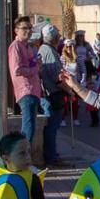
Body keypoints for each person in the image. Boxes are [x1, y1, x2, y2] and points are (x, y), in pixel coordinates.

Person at [37, 25, 67, 166]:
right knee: (51, 128)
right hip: (53, 94)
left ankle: (51, 154)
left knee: (50, 127)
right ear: (55, 38)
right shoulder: (49, 52)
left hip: (48, 93)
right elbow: (57, 77)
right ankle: (51, 157)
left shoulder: (44, 49)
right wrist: (69, 89)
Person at [8, 16, 41, 143]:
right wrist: (35, 69)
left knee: (31, 127)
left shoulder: (27, 47)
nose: (28, 31)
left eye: (30, 28)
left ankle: (25, 155)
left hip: (33, 90)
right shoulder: (15, 46)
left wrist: (37, 64)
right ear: (16, 30)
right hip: (25, 90)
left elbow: (31, 65)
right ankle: (22, 156)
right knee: (28, 127)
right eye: (24, 28)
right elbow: (17, 70)